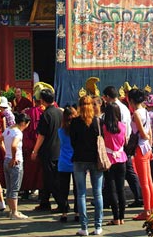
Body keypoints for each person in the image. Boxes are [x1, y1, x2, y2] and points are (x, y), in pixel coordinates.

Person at [101, 85, 142, 207]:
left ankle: (138, 196)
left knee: (121, 174)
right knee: (123, 174)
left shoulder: (115, 108)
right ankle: (109, 199)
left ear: (107, 97)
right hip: (122, 142)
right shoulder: (123, 107)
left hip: (119, 145)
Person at [70, 95, 104, 236]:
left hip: (79, 158)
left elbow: (73, 141)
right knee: (97, 193)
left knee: (81, 194)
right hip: (95, 159)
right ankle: (98, 226)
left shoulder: (75, 122)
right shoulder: (97, 121)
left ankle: (84, 227)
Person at [30, 88, 64, 212]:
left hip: (48, 150)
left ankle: (62, 204)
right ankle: (44, 202)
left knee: (51, 179)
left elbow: (41, 135)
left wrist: (35, 151)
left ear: (43, 100)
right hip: (59, 149)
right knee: (48, 177)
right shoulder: (60, 113)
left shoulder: (46, 115)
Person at [128, 87, 153, 221]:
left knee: (144, 181)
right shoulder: (144, 111)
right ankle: (152, 207)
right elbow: (149, 132)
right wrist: (149, 145)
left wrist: (145, 138)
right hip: (146, 147)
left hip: (139, 148)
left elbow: (143, 133)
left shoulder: (136, 114)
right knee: (149, 180)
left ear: (131, 100)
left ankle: (146, 211)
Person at [101, 101, 127, 226]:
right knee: (121, 189)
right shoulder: (123, 126)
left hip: (109, 159)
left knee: (111, 189)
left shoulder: (104, 127)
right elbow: (125, 141)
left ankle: (115, 217)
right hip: (121, 158)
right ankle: (122, 217)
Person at [3, 111, 31, 219]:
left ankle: (11, 210)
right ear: (23, 123)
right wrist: (14, 157)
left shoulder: (8, 130)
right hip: (16, 161)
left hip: (7, 159)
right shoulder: (18, 132)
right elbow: (14, 145)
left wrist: (6, 152)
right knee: (14, 188)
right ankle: (14, 212)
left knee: (9, 187)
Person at [57, 106, 79, 223]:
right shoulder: (77, 131)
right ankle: (77, 212)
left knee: (63, 189)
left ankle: (64, 213)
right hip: (76, 161)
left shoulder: (60, 131)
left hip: (63, 161)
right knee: (78, 189)